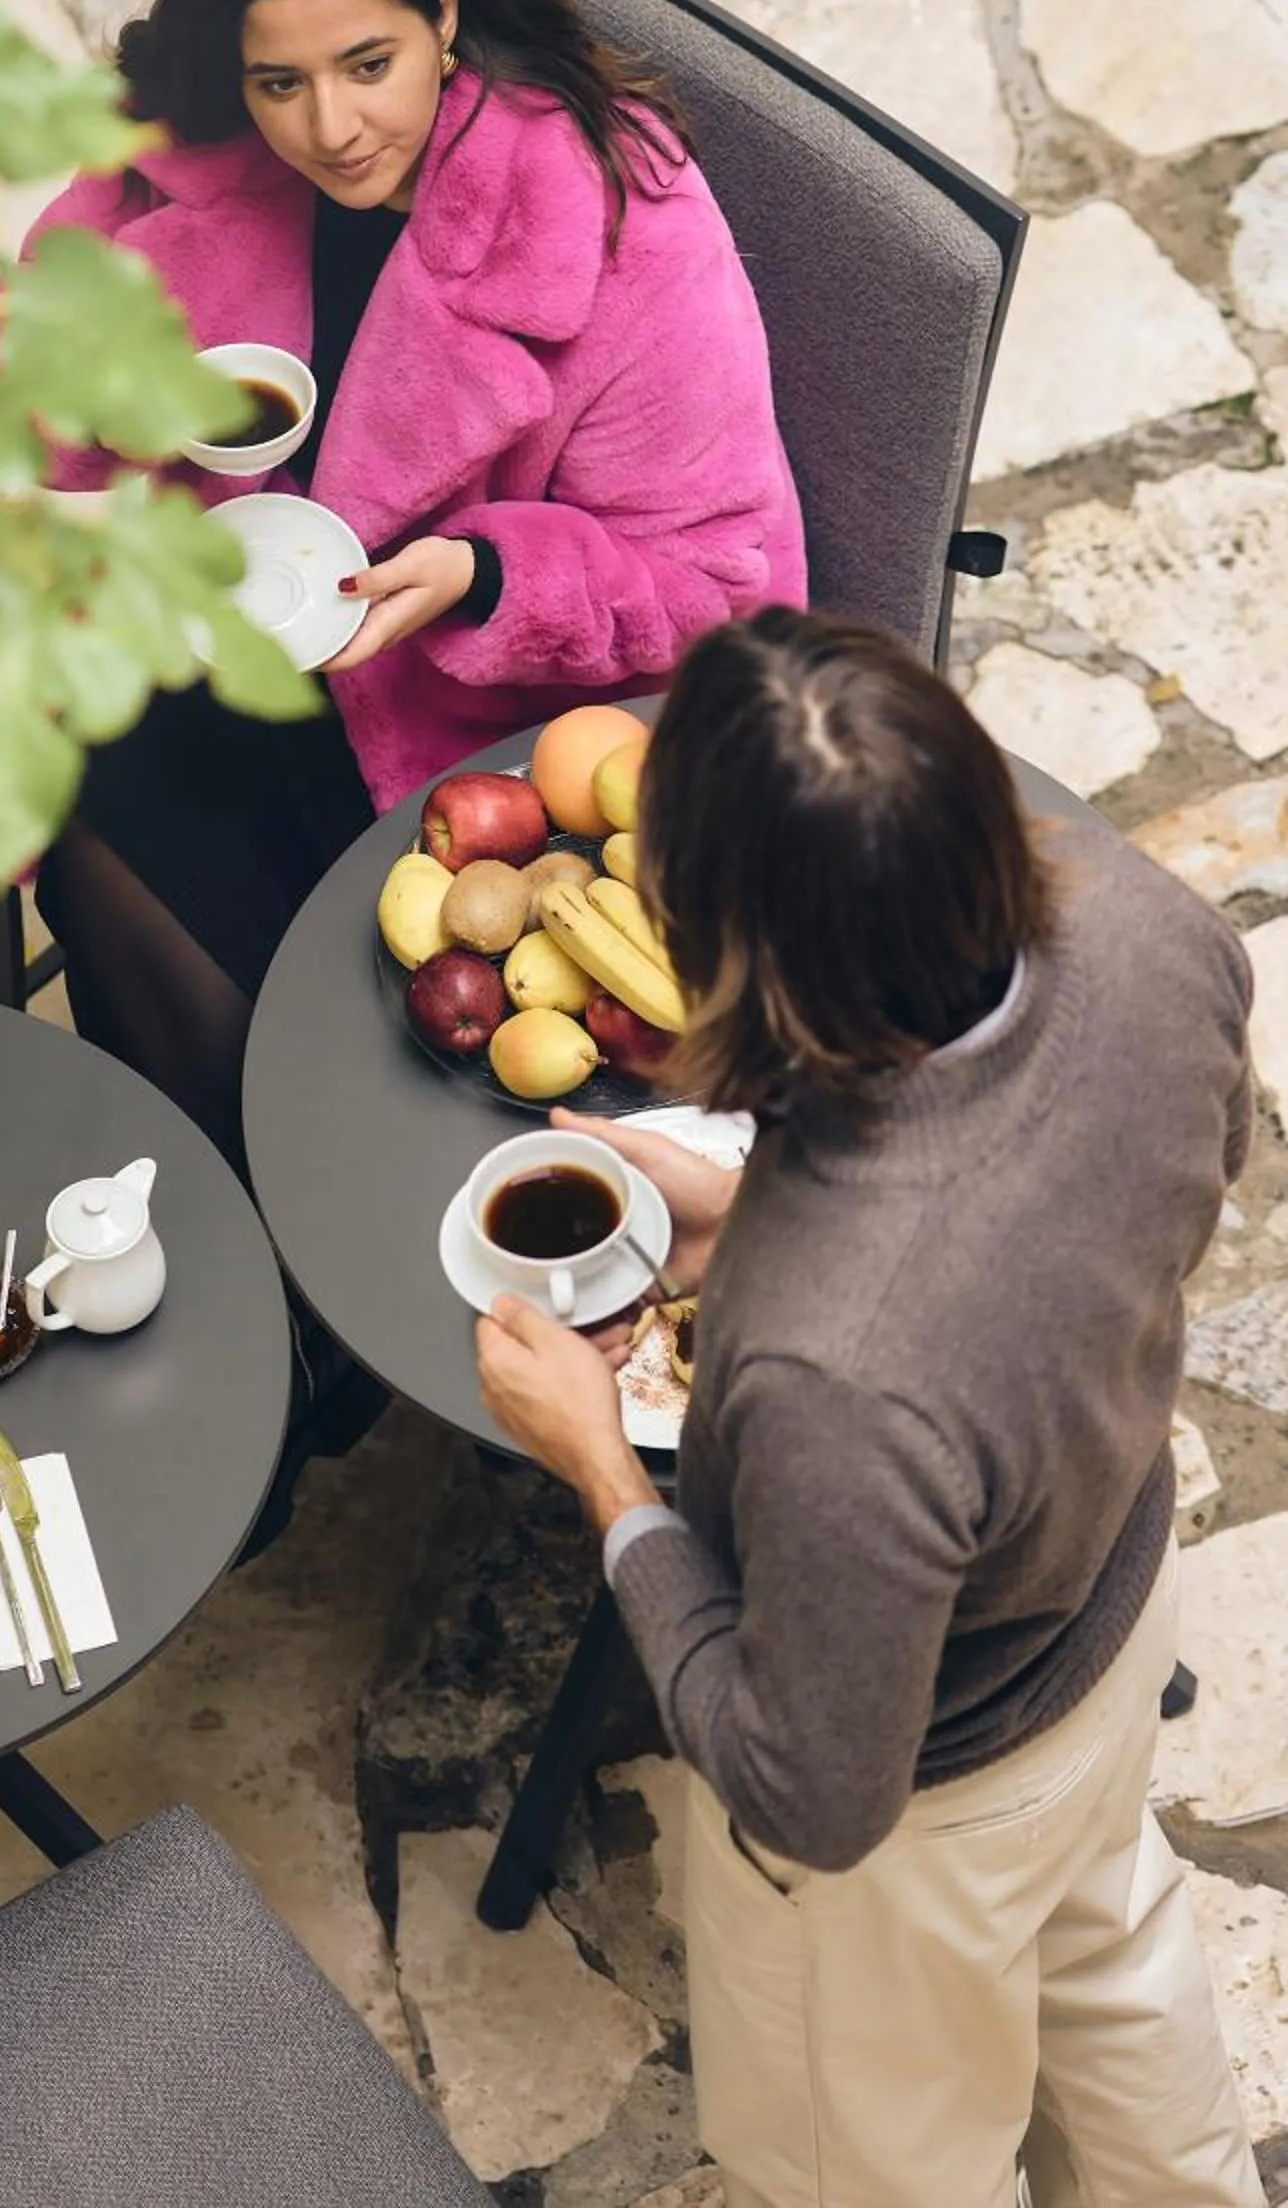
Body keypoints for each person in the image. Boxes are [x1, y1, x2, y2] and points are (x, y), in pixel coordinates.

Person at [477, 607, 1263, 2208]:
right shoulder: (1149, 923)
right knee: (1116, 1969)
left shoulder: (836, 1374)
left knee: (887, 2170)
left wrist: (607, 1487)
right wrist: (755, 1219)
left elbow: (813, 1793)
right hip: (1112, 1615)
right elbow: (1122, 1201)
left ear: (730, 951)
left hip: (938, 1811)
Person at [0, 0, 804, 1173]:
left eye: (372, 67)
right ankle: (236, 1222)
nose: (330, 128)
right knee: (79, 790)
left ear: (447, 20)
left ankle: (295, 1218)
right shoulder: (182, 149)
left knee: (312, 1010)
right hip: (246, 632)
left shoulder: (617, 214)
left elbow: (714, 587)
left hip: (485, 729)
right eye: (279, 84)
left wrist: (481, 577)